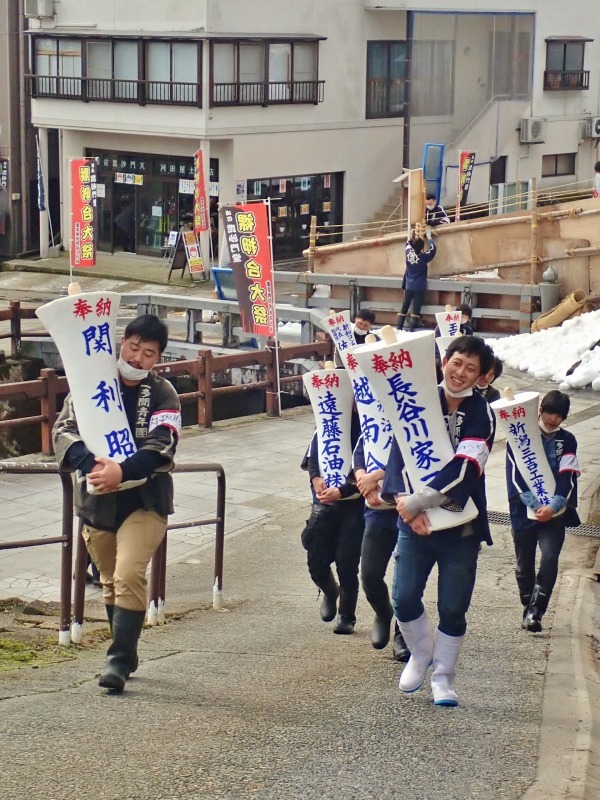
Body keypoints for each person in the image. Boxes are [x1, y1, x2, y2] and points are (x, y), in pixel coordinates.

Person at [53, 314, 181, 693]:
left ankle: (118, 661)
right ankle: (128, 649)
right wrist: (93, 466)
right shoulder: (90, 382)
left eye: (149, 353)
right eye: (134, 348)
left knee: (128, 574)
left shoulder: (163, 392)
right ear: (121, 342)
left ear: (158, 358)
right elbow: (64, 430)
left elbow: (164, 443)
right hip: (97, 501)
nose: (139, 358)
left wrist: (122, 472)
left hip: (145, 499)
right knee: (109, 581)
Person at [387, 335, 495, 706]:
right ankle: (420, 654)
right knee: (402, 597)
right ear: (444, 360)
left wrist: (420, 501)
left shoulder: (483, 412)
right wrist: (403, 502)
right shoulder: (415, 399)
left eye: (471, 369)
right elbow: (397, 456)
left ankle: (444, 678)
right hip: (414, 525)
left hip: (460, 528)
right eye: (457, 362)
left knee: (453, 605)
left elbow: (466, 469)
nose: (461, 372)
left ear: (481, 377)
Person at [506, 390, 580, 633]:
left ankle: (536, 612)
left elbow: (567, 476)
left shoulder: (567, 440)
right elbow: (515, 476)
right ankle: (528, 602)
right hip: (524, 510)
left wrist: (554, 506)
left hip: (554, 513)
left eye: (559, 415)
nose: (553, 419)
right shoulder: (520, 436)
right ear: (540, 410)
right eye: (549, 412)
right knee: (523, 563)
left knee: (549, 557)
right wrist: (535, 505)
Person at [301, 412, 365, 635]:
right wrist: (315, 478)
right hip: (324, 504)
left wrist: (343, 490)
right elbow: (312, 457)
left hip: (354, 505)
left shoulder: (365, 421)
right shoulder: (326, 418)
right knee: (316, 560)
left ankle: (347, 615)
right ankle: (329, 590)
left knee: (347, 563)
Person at [353, 436, 410, 661]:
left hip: (409, 507)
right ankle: (383, 611)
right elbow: (359, 454)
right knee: (369, 575)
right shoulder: (373, 414)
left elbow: (412, 453)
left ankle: (403, 633)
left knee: (405, 578)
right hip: (377, 511)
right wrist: (363, 481)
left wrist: (378, 476)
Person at [397, 234, 436, 332]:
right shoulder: (423, 257)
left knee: (404, 307)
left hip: (409, 285)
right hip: (419, 286)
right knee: (416, 310)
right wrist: (430, 238)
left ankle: (399, 328)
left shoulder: (408, 253)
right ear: (422, 248)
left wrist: (413, 235)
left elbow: (407, 243)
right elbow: (433, 249)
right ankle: (411, 329)